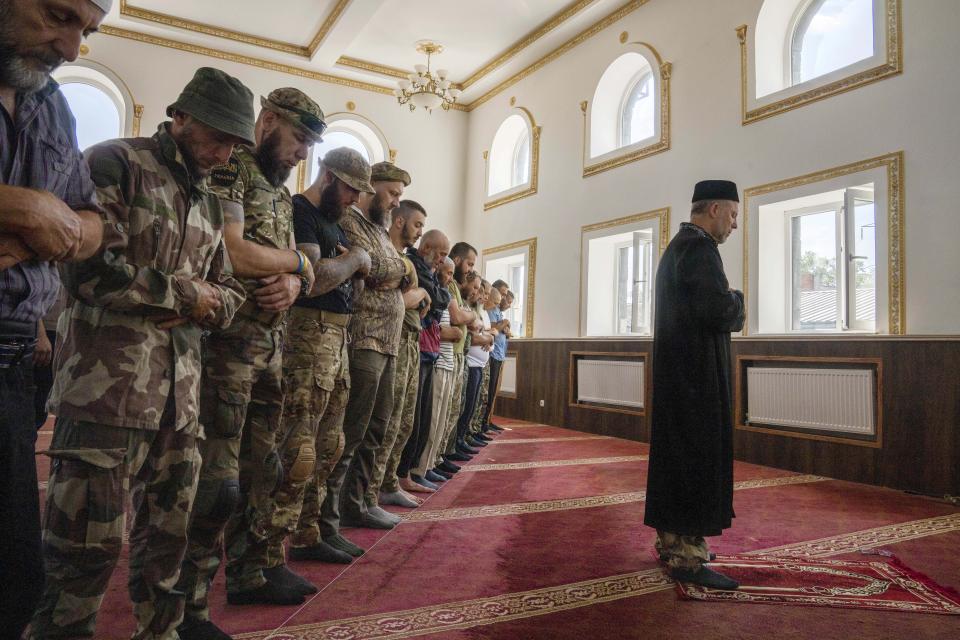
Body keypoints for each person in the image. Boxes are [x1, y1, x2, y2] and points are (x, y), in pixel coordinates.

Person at [31, 66, 250, 639]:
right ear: (180, 117)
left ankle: (162, 632)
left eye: (236, 142)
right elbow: (85, 270)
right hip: (105, 392)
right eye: (220, 136)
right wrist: (186, 293)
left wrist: (209, 301)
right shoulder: (115, 163)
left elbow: (231, 295)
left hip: (180, 400)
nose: (227, 152)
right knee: (82, 548)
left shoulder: (209, 199)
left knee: (168, 543)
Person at [177, 87, 323, 635]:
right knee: (216, 482)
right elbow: (234, 251)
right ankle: (189, 603)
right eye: (299, 138)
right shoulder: (231, 167)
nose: (302, 154)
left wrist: (294, 276)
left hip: (269, 350)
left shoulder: (281, 194)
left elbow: (299, 271)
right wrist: (295, 265)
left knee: (264, 469)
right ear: (267, 122)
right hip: (224, 350)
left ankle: (250, 572)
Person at [0, 0, 109, 634]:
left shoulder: (49, 102)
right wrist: (27, 209)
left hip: (14, 368)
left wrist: (50, 221)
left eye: (86, 32)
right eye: (57, 15)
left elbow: (92, 222)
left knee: (17, 583)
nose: (70, 48)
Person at [643, 179, 745, 591]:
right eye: (734, 215)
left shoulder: (677, 247)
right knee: (694, 461)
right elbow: (719, 309)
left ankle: (672, 541)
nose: (735, 225)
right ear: (715, 209)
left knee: (675, 458)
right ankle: (688, 555)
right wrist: (737, 298)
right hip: (695, 382)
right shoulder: (701, 250)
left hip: (678, 378)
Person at [285, 149, 373, 567]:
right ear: (329, 177)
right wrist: (354, 258)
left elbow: (347, 289)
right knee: (299, 448)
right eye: (352, 189)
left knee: (330, 445)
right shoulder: (300, 210)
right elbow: (313, 279)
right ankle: (277, 543)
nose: (356, 199)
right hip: (307, 335)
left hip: (336, 335)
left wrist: (352, 270)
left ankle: (311, 531)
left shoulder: (335, 223)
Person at [322, 161, 410, 541]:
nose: (394, 203)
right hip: (363, 339)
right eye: (391, 193)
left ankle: (362, 499)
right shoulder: (350, 221)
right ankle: (333, 510)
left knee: (379, 426)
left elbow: (395, 268)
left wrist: (396, 267)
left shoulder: (381, 231)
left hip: (388, 343)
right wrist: (395, 269)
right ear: (370, 187)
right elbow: (376, 271)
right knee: (352, 429)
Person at [366, 200, 429, 511]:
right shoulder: (383, 251)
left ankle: (389, 481)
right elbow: (391, 299)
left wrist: (419, 296)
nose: (419, 232)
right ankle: (374, 488)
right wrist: (416, 295)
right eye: (417, 225)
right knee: (385, 421)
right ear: (400, 221)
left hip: (409, 341)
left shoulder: (405, 260)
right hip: (386, 339)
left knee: (404, 419)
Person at [396, 226, 451, 490]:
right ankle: (403, 474)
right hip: (413, 346)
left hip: (428, 351)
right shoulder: (415, 265)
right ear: (426, 248)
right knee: (410, 418)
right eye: (441, 254)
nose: (442, 261)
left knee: (424, 417)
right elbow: (437, 304)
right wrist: (434, 294)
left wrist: (436, 293)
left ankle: (412, 471)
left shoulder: (430, 274)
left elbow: (439, 301)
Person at [412, 258, 462, 482]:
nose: (450, 278)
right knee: (428, 422)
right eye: (447, 273)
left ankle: (430, 463)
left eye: (452, 274)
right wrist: (459, 328)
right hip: (435, 358)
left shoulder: (441, 292)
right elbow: (453, 326)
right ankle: (420, 468)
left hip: (442, 360)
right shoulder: (438, 292)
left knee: (439, 420)